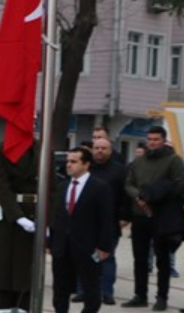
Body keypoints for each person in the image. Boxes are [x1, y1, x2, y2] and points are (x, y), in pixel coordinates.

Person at [122, 126, 184, 311]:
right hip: (140, 216)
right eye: (149, 139)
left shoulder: (173, 160)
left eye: (156, 139)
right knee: (139, 259)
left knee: (162, 260)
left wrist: (154, 198)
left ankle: (161, 297)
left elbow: (180, 185)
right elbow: (129, 184)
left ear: (163, 140)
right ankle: (140, 295)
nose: (152, 142)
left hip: (161, 217)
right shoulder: (139, 161)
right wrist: (140, 197)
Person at [50, 148, 115, 313]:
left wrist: (104, 247)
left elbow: (107, 219)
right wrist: (51, 241)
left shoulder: (100, 187)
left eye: (73, 162)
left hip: (88, 247)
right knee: (60, 288)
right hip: (62, 247)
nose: (68, 165)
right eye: (67, 162)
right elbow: (56, 216)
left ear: (86, 164)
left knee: (91, 288)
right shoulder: (62, 187)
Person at [0, 142, 43, 311]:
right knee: (3, 275)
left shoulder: (41, 149)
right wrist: (18, 217)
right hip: (8, 216)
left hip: (35, 212)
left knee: (27, 276)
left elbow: (50, 187)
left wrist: (48, 219)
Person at [74, 137, 127, 305]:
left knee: (106, 258)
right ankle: (82, 290)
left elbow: (126, 197)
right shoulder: (86, 168)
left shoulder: (119, 171)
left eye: (104, 148)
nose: (100, 151)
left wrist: (124, 218)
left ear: (110, 151)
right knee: (84, 257)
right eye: (97, 148)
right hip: (86, 222)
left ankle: (107, 292)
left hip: (109, 223)